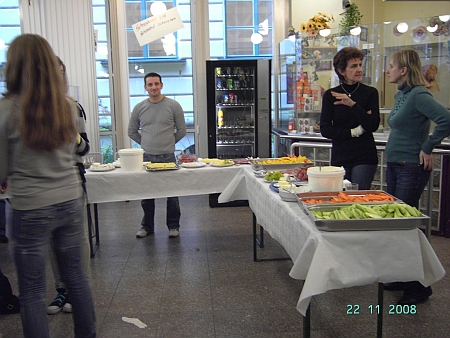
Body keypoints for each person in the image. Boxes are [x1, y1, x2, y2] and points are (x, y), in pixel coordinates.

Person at [0, 34, 96, 337]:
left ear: (13, 66)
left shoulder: (5, 110)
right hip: (69, 199)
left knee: (31, 290)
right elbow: (76, 150)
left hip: (29, 206)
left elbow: (2, 170)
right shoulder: (67, 105)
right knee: (77, 278)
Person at [383, 49, 450, 305]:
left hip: (410, 165)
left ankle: (419, 286)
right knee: (398, 224)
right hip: (398, 165)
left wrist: (428, 145)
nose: (388, 70)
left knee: (405, 225)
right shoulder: (404, 94)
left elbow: (446, 119)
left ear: (404, 70)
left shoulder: (420, 94)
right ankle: (403, 276)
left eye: (391, 66)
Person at [46, 57, 91, 315]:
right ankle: (61, 289)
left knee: (76, 240)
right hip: (42, 186)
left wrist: (70, 135)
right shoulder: (29, 108)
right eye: (54, 72)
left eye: (62, 72)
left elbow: (84, 147)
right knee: (53, 240)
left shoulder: (73, 107)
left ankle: (77, 289)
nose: (59, 77)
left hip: (71, 179)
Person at [128, 72, 186, 238]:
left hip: (168, 156)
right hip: (147, 157)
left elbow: (181, 130)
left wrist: (168, 141)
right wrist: (145, 142)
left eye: (156, 84)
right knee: (147, 195)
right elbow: (131, 131)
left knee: (172, 195)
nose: (153, 87)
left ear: (162, 85)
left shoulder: (173, 105)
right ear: (145, 87)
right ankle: (147, 227)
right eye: (150, 85)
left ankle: (173, 227)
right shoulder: (139, 107)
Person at [320, 47, 381, 190]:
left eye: (360, 65)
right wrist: (354, 132)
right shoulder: (331, 95)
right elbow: (326, 129)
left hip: (365, 155)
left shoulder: (370, 93)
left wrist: (353, 105)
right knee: (340, 197)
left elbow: (372, 125)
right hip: (340, 156)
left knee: (358, 196)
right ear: (342, 71)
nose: (359, 69)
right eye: (353, 66)